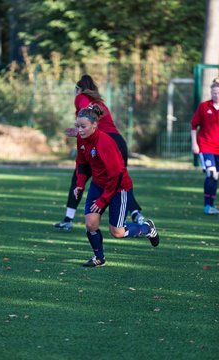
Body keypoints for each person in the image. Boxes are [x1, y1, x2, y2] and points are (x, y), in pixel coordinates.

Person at [73, 104, 159, 267]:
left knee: (117, 232)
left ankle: (147, 228)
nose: (80, 130)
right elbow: (82, 162)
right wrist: (80, 184)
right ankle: (99, 258)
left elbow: (116, 175)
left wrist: (102, 201)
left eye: (83, 126)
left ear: (94, 125)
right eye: (78, 126)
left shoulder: (105, 143)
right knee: (90, 223)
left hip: (118, 188)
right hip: (98, 185)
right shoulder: (81, 139)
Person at [55, 74, 144, 230]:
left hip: (102, 143)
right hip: (118, 142)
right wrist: (78, 132)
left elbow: (86, 116)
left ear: (79, 89)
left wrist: (78, 130)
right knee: (119, 180)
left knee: (80, 176)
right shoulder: (99, 102)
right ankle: (136, 213)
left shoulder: (81, 97)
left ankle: (68, 219)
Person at [191, 77, 219, 215]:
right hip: (206, 146)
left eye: (218, 92)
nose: (216, 95)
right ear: (211, 92)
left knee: (216, 176)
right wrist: (194, 143)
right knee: (212, 173)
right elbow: (193, 125)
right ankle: (207, 206)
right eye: (214, 92)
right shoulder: (204, 107)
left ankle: (211, 205)